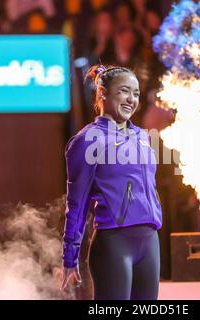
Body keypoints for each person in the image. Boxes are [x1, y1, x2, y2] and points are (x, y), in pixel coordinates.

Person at [61, 64, 163, 300]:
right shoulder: (87, 140)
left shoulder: (143, 137)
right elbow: (77, 203)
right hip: (114, 244)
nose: (131, 99)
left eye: (136, 93)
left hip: (150, 243)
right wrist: (70, 255)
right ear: (103, 94)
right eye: (124, 91)